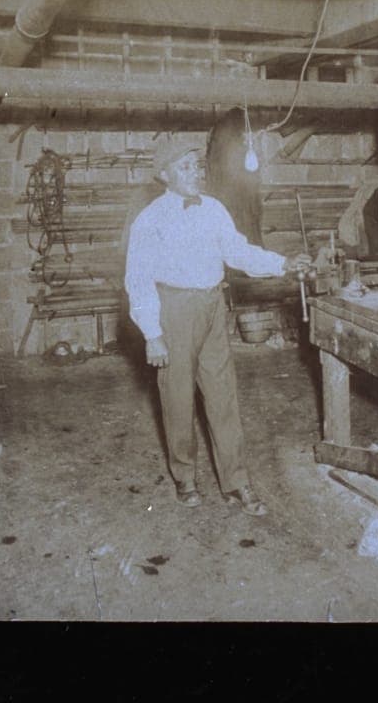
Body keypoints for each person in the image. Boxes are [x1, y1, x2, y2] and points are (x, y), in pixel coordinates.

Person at [124, 137, 311, 516]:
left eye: (197, 165)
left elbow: (238, 252)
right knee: (176, 398)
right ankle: (185, 477)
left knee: (223, 395)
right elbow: (137, 279)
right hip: (173, 309)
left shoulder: (213, 209)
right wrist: (153, 334)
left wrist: (283, 263)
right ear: (164, 175)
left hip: (212, 305)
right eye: (186, 167)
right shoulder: (150, 220)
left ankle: (237, 481)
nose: (196, 173)